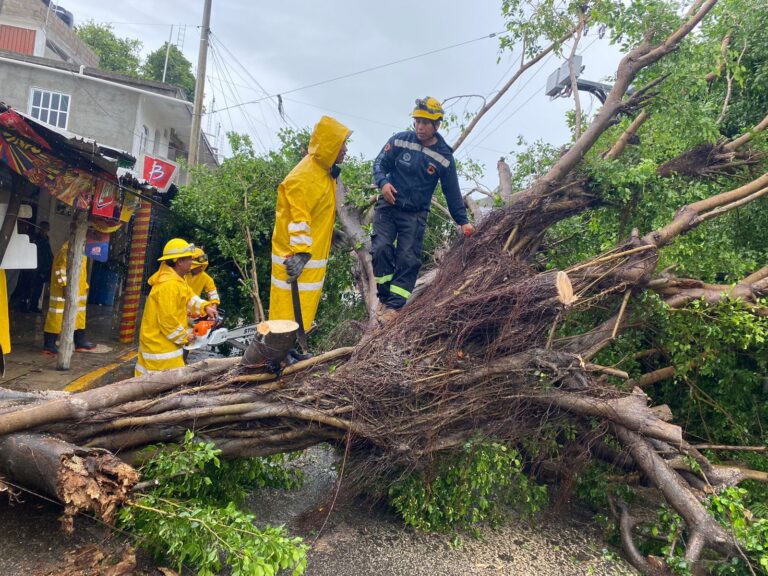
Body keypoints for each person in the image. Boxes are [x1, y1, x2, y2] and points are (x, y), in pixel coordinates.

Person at [371, 96, 475, 323]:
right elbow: (379, 164)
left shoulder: (444, 156)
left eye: (426, 122)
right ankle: (384, 296)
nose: (420, 126)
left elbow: (452, 192)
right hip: (388, 207)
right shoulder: (400, 141)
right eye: (417, 121)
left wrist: (463, 220)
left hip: (415, 214)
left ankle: (393, 308)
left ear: (437, 124)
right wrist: (383, 183)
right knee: (380, 248)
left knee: (408, 259)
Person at [268, 115, 351, 358]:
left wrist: (329, 232)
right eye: (342, 144)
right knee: (286, 308)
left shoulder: (323, 173)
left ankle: (288, 350)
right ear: (329, 145)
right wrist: (302, 253)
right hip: (294, 259)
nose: (345, 150)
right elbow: (298, 219)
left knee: (300, 310)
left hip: (307, 261)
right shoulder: (303, 177)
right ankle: (276, 356)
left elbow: (316, 213)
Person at [135, 238, 215, 377]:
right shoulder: (169, 285)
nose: (192, 261)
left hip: (164, 344)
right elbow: (167, 320)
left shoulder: (177, 279)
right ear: (179, 261)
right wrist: (185, 337)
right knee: (160, 383)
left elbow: (189, 297)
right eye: (189, 258)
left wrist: (205, 306)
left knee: (150, 383)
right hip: (159, 347)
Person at [43, 241, 94, 354]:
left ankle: (79, 341)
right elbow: (59, 269)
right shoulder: (66, 250)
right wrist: (65, 286)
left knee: (79, 316)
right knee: (56, 317)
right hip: (63, 291)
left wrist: (83, 286)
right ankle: (49, 345)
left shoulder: (82, 251)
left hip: (78, 290)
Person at [28, 221, 53, 313]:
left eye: (46, 229)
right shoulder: (36, 238)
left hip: (43, 268)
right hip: (36, 267)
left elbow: (48, 254)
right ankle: (29, 306)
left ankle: (33, 306)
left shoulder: (46, 239)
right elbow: (38, 254)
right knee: (32, 288)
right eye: (43, 228)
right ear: (39, 228)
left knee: (38, 289)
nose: (44, 230)